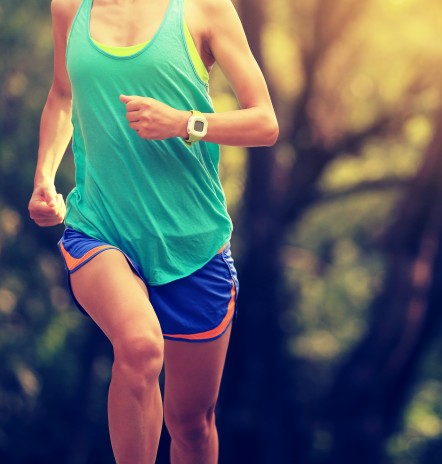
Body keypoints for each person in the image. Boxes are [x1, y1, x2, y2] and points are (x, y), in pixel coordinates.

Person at [27, 0, 278, 461]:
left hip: (192, 244)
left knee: (191, 424)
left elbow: (265, 122)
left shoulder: (204, 9)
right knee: (140, 346)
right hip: (100, 227)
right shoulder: (69, 9)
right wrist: (45, 175)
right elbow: (63, 95)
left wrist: (185, 123)